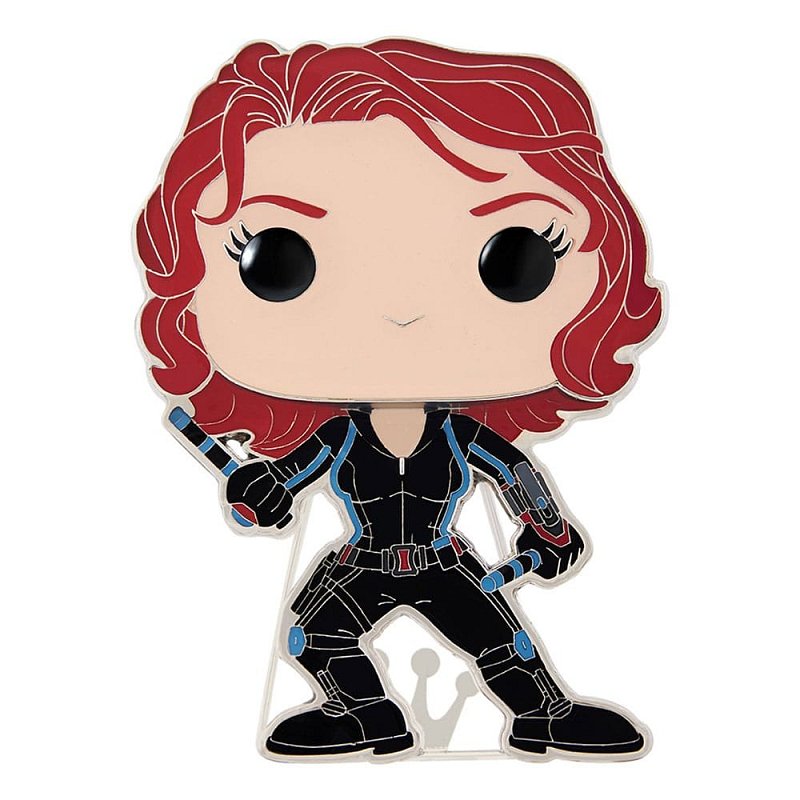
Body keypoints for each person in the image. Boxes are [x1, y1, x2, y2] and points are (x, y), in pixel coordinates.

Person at [135, 39, 664, 760]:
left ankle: (543, 714)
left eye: (516, 252)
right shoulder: (341, 436)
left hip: (446, 561)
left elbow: (516, 474)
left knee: (503, 645)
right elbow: (284, 480)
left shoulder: (460, 434)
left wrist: (547, 529)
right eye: (280, 258)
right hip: (362, 562)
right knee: (313, 635)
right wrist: (259, 490)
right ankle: (364, 713)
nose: (402, 310)